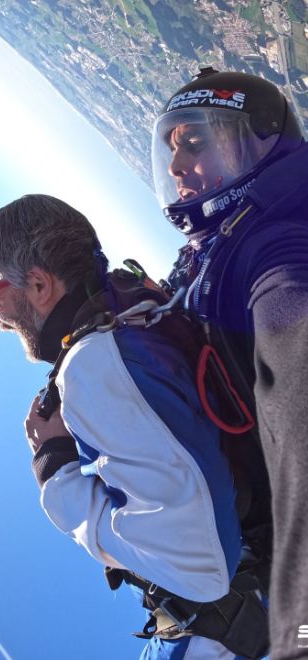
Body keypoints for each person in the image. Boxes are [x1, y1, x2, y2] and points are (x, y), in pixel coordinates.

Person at [0, 194, 267, 659]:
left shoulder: (94, 367)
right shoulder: (140, 309)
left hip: (231, 625)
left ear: (40, 284)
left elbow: (201, 570)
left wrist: (55, 469)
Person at [151, 67, 308, 660]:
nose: (175, 167)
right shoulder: (223, 244)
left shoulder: (276, 246)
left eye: (194, 142)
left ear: (255, 140)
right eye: (171, 147)